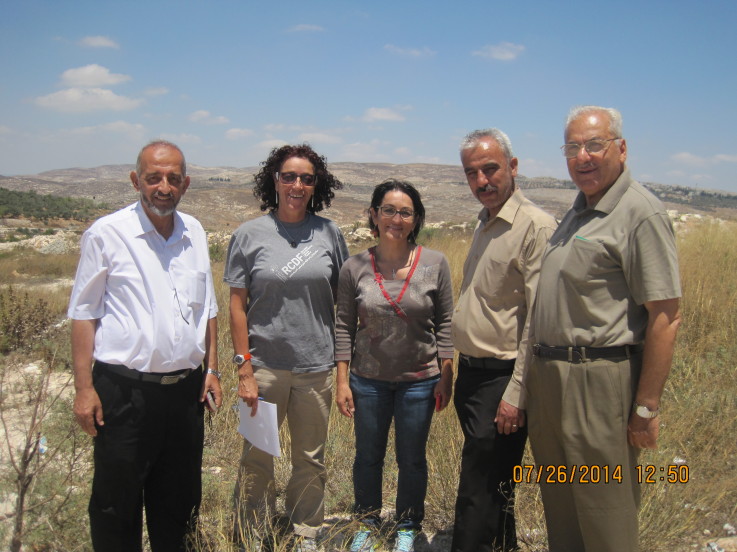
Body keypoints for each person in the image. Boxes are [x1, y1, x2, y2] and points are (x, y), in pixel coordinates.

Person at [525, 106, 682, 552]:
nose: (583, 156)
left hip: (597, 383)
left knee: (604, 511)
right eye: (572, 147)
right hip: (552, 381)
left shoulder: (640, 213)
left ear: (622, 148)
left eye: (595, 144)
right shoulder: (579, 211)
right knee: (562, 507)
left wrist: (646, 407)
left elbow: (666, 316)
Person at [68, 140, 221, 552]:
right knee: (116, 505)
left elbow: (207, 307)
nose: (163, 187)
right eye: (154, 178)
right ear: (137, 180)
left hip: (184, 395)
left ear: (186, 183)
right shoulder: (107, 234)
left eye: (173, 178)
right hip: (124, 393)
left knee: (180, 503)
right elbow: (84, 312)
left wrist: (212, 369)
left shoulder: (194, 232)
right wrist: (84, 388)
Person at [224, 144, 349, 552]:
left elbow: (343, 304)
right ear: (274, 180)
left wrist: (343, 368)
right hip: (264, 369)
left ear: (316, 185)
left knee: (310, 458)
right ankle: (252, 531)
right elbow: (237, 305)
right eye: (289, 176)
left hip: (315, 368)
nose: (297, 185)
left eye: (306, 178)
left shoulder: (329, 234)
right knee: (257, 455)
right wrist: (244, 369)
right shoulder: (249, 235)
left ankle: (306, 530)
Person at [450, 130, 557, 552]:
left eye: (490, 168)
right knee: (495, 485)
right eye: (471, 173)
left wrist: (516, 392)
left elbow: (539, 319)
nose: (481, 181)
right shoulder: (486, 222)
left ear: (513, 166)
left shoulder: (535, 226)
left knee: (478, 488)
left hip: (502, 379)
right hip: (473, 375)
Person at [335, 179, 455, 552]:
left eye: (405, 212)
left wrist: (447, 374)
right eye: (388, 210)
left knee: (412, 459)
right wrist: (342, 381)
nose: (396, 219)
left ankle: (408, 524)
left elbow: (446, 323)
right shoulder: (354, 266)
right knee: (367, 457)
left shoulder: (435, 263)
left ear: (416, 219)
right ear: (374, 214)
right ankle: (367, 522)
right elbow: (343, 327)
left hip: (420, 381)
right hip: (367, 381)